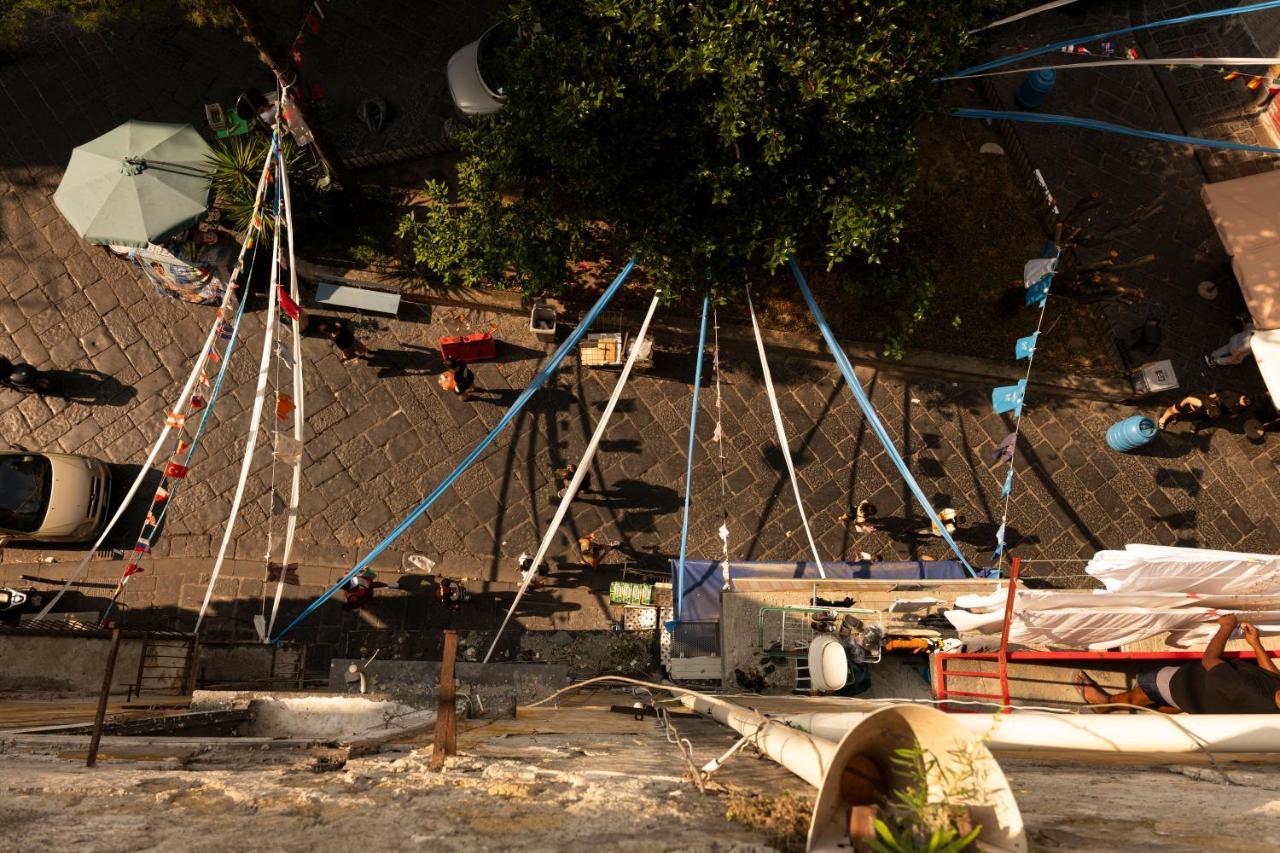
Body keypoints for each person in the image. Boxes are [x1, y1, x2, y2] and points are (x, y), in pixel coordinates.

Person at [1076, 614, 1280, 714]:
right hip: (1202, 701)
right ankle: (1161, 706)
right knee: (1173, 704)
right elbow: (1272, 677)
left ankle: (1104, 704)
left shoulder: (1244, 689)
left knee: (1144, 690)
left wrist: (1226, 627)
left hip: (1181, 684)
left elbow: (1210, 660)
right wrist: (1255, 644)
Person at [1157, 392, 1222, 431]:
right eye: (1209, 414)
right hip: (1185, 403)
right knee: (1172, 410)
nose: (1207, 414)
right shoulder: (1200, 403)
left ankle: (1175, 416)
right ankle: (1162, 419)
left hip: (1191, 406)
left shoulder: (1213, 403)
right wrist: (1179, 407)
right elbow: (1188, 399)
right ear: (1209, 411)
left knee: (1177, 412)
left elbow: (1212, 395)